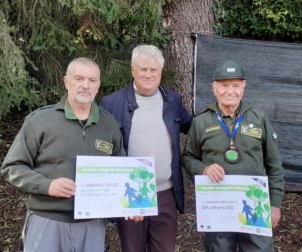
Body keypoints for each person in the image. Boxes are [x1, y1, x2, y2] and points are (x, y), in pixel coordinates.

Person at [0, 58, 125, 252]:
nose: (85, 85)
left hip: (91, 225)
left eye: (92, 80)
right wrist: (47, 185)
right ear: (67, 82)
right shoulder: (40, 121)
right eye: (79, 78)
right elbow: (12, 167)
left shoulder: (109, 124)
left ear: (98, 85)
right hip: (47, 220)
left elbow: (122, 172)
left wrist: (132, 206)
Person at [181, 61, 285, 252]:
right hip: (219, 205)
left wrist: (275, 204)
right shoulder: (201, 121)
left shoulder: (259, 118)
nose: (230, 91)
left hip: (255, 204)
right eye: (224, 85)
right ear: (214, 88)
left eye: (236, 85)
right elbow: (187, 158)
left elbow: (274, 165)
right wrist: (204, 168)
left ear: (243, 88)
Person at [100, 44, 192, 252]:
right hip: (130, 192)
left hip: (166, 192)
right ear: (133, 70)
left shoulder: (173, 100)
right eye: (143, 69)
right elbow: (100, 148)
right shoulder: (111, 103)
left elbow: (192, 127)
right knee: (133, 249)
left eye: (153, 70)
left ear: (160, 71)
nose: (148, 75)